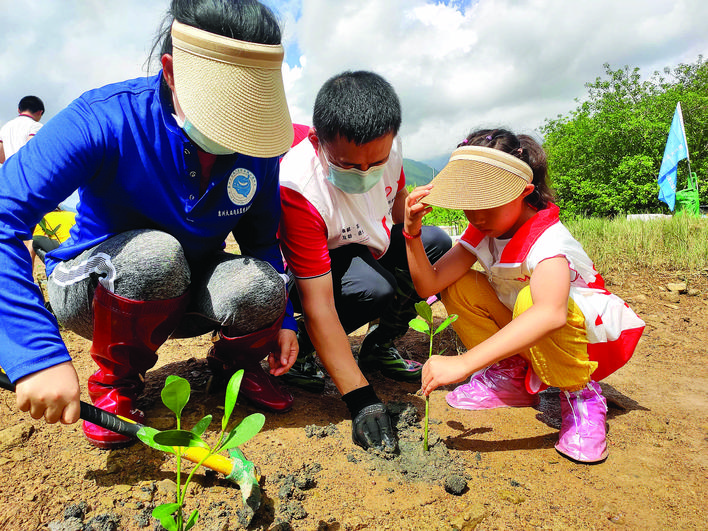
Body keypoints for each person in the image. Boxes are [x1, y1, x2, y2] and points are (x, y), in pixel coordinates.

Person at [0, 0, 298, 449]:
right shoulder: (105, 118)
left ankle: (233, 369)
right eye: (224, 111)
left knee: (261, 282)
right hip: (94, 291)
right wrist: (35, 353)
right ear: (171, 71)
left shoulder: (256, 151)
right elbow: (4, 216)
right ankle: (115, 380)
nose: (235, 131)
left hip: (186, 292)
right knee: (156, 252)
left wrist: (285, 320)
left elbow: (262, 243)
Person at [404, 129, 645, 463]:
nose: (477, 216)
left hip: (585, 343)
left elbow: (550, 314)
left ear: (525, 193)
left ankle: (581, 396)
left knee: (534, 301)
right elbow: (429, 285)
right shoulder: (484, 230)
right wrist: (412, 233)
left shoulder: (548, 240)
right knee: (458, 284)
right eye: (470, 206)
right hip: (529, 334)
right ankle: (511, 375)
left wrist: (465, 363)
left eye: (489, 202)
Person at [278, 71, 451, 451]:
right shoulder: (298, 187)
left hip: (367, 241)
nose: (366, 174)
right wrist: (362, 400)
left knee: (436, 242)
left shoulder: (388, 149)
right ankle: (303, 349)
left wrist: (413, 218)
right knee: (373, 289)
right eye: (349, 166)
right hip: (321, 264)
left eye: (376, 163)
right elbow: (319, 302)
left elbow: (397, 200)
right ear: (317, 142)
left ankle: (379, 344)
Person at [0, 95, 44, 164]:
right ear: (40, 112)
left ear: (18, 110)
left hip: (10, 171)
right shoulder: (36, 126)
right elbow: (32, 149)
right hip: (27, 169)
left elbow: (1, 156)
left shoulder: (6, 127)